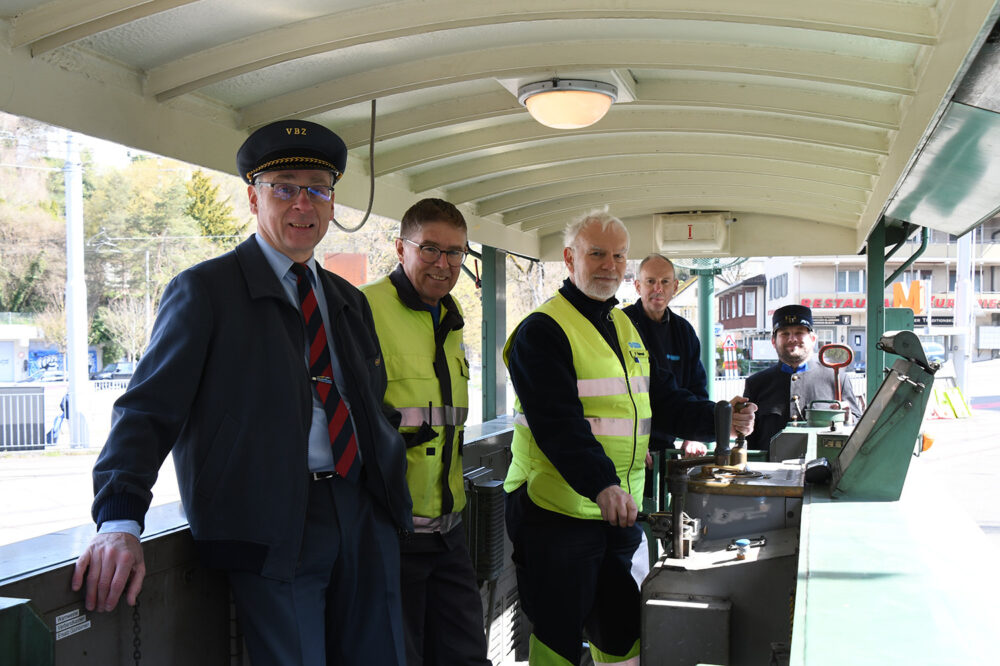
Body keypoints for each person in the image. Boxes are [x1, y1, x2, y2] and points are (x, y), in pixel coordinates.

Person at [71, 119, 413, 666]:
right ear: (254, 198)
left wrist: (388, 484)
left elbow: (371, 405)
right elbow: (147, 410)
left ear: (331, 203)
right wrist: (118, 518)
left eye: (318, 189)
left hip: (363, 509)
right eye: (284, 187)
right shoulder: (206, 292)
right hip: (272, 523)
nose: (303, 203)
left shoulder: (347, 300)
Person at [503, 210, 756, 666]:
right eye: (596, 253)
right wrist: (602, 483)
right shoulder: (542, 331)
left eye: (618, 255)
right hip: (555, 513)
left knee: (620, 630)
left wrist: (722, 419)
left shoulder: (623, 327)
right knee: (558, 637)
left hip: (615, 513)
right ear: (569, 258)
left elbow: (666, 399)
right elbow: (559, 424)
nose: (609, 265)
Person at [360, 198, 491, 666]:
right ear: (400, 248)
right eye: (430, 249)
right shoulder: (363, 309)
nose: (443, 263)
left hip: (448, 532)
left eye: (456, 253)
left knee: (467, 654)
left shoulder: (451, 319)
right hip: (389, 533)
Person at [743, 304, 862, 452]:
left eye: (799, 332)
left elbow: (860, 428)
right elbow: (748, 441)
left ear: (813, 339)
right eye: (785, 334)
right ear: (773, 341)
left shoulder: (837, 379)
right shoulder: (756, 384)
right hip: (770, 473)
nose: (792, 339)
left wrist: (849, 419)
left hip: (824, 470)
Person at [623, 253, 710, 458]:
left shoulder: (684, 331)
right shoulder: (620, 326)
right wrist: (633, 442)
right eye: (650, 281)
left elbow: (696, 387)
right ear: (638, 286)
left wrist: (693, 436)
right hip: (629, 443)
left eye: (664, 282)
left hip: (669, 444)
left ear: (675, 286)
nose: (658, 289)